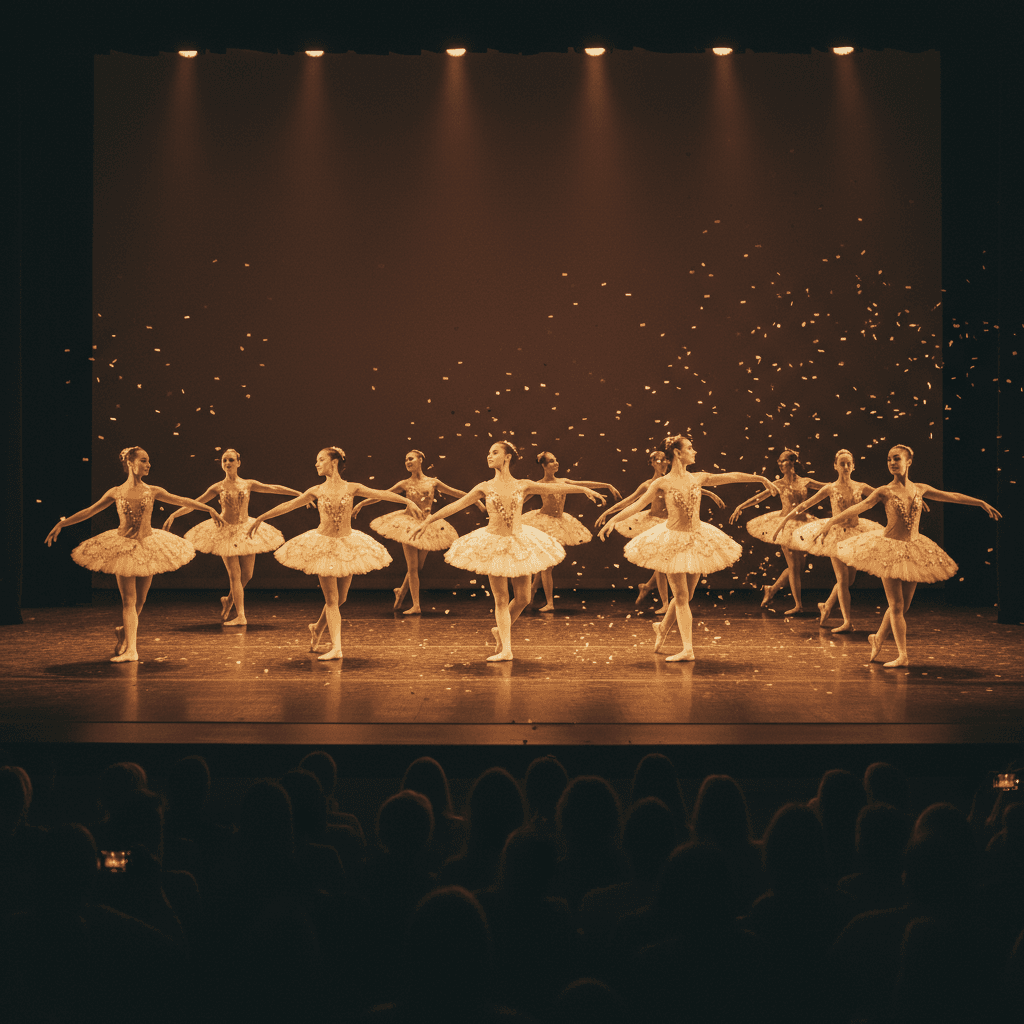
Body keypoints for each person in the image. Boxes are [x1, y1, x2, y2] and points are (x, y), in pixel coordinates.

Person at [410, 440, 605, 662]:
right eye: (488, 453)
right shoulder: (484, 487)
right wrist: (429, 521)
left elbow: (554, 487)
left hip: (519, 542)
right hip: (494, 543)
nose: (489, 456)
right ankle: (506, 649)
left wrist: (583, 489)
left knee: (524, 597)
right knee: (501, 598)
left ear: (507, 457)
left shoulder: (523, 484)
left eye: (494, 452)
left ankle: (501, 630)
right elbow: (458, 505)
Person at [816, 443, 1000, 667]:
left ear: (908, 462)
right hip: (889, 550)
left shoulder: (919, 489)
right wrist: (831, 522)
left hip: (913, 549)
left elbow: (950, 496)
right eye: (889, 460)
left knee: (903, 607)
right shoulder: (884, 491)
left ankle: (877, 637)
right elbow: (859, 507)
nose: (892, 463)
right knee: (895, 605)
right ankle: (902, 654)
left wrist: (979, 502)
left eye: (896, 459)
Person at [599, 435, 777, 661]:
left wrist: (760, 478)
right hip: (673, 540)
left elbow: (729, 477)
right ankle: (687, 649)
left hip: (696, 538)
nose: (694, 452)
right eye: (690, 448)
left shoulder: (698, 478)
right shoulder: (661, 483)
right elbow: (638, 504)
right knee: (681, 597)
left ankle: (662, 628)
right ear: (677, 452)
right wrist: (613, 520)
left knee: (687, 595)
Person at [44, 446, 225, 662]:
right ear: (130, 463)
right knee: (129, 601)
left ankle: (123, 632)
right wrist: (63, 524)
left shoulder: (153, 490)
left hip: (147, 547)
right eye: (144, 460)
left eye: (149, 461)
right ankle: (132, 650)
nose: (148, 465)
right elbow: (90, 511)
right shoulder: (116, 492)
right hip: (123, 548)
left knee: (140, 601)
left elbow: (182, 500)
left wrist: (210, 509)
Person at [245, 446, 423, 661]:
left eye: (321, 459)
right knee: (332, 599)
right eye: (317, 460)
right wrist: (261, 517)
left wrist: (408, 500)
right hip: (324, 546)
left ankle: (317, 628)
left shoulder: (352, 487)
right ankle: (337, 647)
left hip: (346, 545)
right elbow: (289, 505)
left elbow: (381, 494)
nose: (317, 464)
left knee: (342, 598)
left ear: (334, 462)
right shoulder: (316, 490)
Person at [161, 448, 304, 626]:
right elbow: (196, 503)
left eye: (231, 460)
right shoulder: (217, 487)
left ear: (238, 463)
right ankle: (241, 615)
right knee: (235, 575)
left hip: (245, 530)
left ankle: (228, 600)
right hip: (225, 532)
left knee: (248, 575)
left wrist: (299, 494)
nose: (227, 463)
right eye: (224, 460)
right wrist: (175, 514)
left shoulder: (248, 483)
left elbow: (272, 488)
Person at [352, 449, 481, 615]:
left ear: (420, 460)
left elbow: (456, 493)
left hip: (427, 526)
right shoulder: (404, 484)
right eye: (406, 460)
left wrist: (477, 501)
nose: (408, 462)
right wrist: (361, 504)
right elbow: (383, 495)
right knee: (412, 568)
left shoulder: (433, 482)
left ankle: (401, 591)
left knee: (418, 567)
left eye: (411, 459)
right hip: (408, 526)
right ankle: (416, 605)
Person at [595, 449, 725, 610]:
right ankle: (664, 602)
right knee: (661, 567)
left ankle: (649, 588)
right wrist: (608, 514)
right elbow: (631, 502)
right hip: (654, 524)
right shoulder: (650, 485)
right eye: (658, 460)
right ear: (651, 463)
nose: (662, 463)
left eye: (664, 460)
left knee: (667, 567)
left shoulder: (673, 480)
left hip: (671, 525)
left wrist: (710, 494)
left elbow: (688, 488)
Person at [769, 448, 882, 633]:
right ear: (835, 466)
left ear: (853, 466)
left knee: (850, 580)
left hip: (856, 534)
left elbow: (884, 495)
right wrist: (783, 521)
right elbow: (805, 505)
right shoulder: (830, 488)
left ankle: (827, 605)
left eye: (848, 464)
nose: (845, 467)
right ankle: (846, 621)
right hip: (836, 536)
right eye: (842, 463)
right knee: (843, 579)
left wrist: (911, 499)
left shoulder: (861, 486)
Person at [729, 448, 828, 615]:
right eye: (779, 462)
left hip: (803, 525)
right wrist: (741, 506)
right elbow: (760, 497)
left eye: (784, 461)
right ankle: (798, 605)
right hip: (786, 525)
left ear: (793, 462)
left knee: (799, 567)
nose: (781, 464)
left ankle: (771, 589)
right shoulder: (779, 484)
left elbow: (828, 488)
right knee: (794, 567)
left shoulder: (805, 481)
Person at [522, 450, 621, 611]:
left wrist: (606, 485)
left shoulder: (563, 481)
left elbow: (583, 485)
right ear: (544, 465)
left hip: (558, 524)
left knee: (546, 563)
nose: (556, 463)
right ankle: (549, 603)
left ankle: (534, 590)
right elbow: (520, 500)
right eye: (552, 461)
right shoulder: (539, 485)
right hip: (542, 524)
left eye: (556, 460)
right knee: (548, 565)